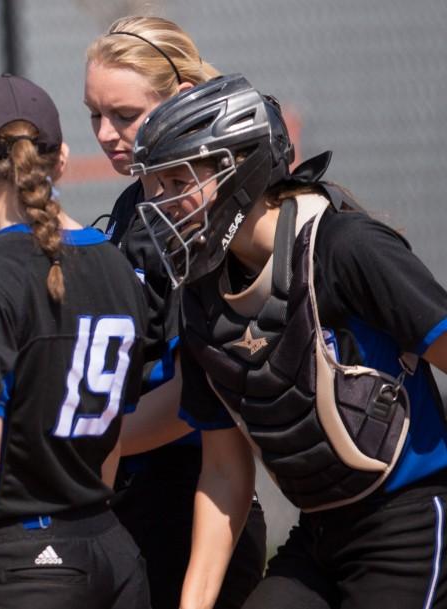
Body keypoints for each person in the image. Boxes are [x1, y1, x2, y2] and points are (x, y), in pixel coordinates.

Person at [129, 73, 447, 609]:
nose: (163, 204)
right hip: (319, 533)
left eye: (177, 182)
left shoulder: (344, 248)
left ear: (238, 167)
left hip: (410, 523)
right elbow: (225, 470)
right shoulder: (203, 298)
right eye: (155, 187)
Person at [0, 74, 151, 609]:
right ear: (61, 159)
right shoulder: (117, 265)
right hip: (110, 546)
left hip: (28, 562)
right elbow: (112, 434)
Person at [83, 16, 265, 609]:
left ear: (181, 100)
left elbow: (201, 393)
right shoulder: (137, 202)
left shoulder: (208, 213)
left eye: (126, 116)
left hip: (191, 497)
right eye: (94, 115)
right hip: (133, 483)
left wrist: (92, 445)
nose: (108, 134)